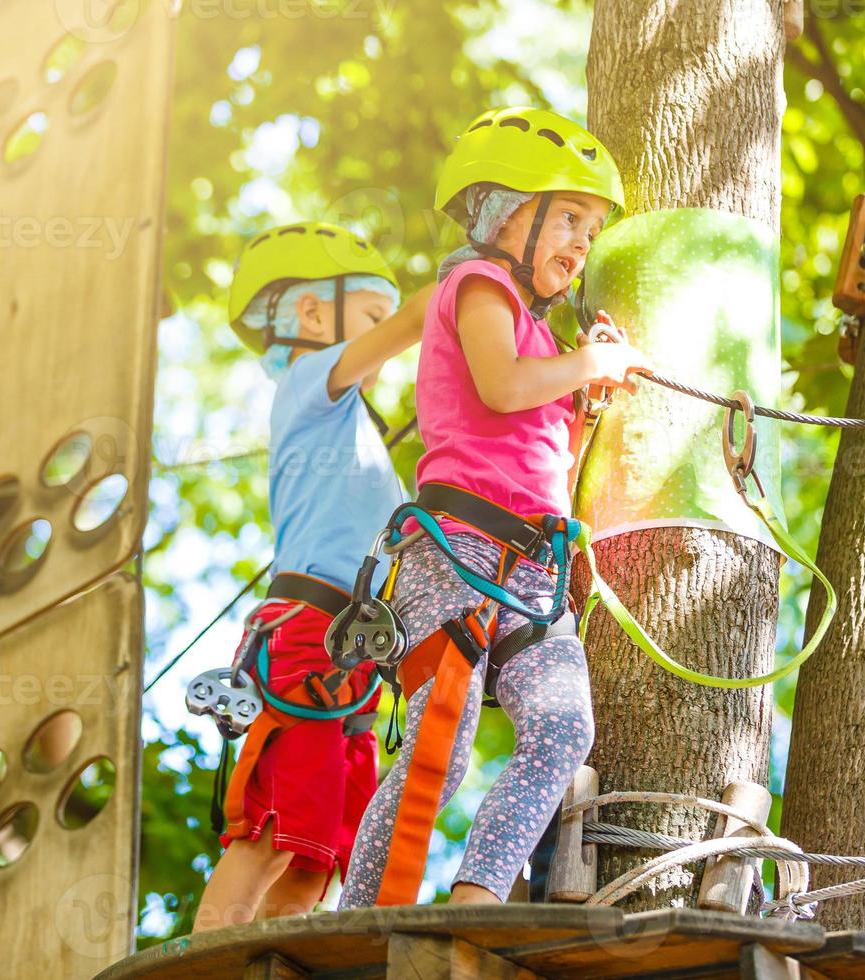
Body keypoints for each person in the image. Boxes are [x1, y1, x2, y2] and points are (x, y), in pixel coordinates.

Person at [339, 108, 651, 908]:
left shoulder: (547, 344)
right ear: (503, 213)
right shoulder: (478, 284)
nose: (582, 244)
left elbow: (546, 452)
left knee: (561, 727)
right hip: (458, 546)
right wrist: (588, 361)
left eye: (592, 230)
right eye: (569, 218)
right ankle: (367, 919)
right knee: (442, 731)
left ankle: (476, 903)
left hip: (534, 566)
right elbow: (500, 386)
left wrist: (586, 393)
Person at [192, 222, 433, 931]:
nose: (382, 339)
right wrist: (488, 289)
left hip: (356, 656)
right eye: (369, 317)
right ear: (310, 314)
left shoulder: (362, 439)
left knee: (313, 864)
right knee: (269, 835)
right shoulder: (311, 386)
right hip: (306, 634)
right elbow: (424, 316)